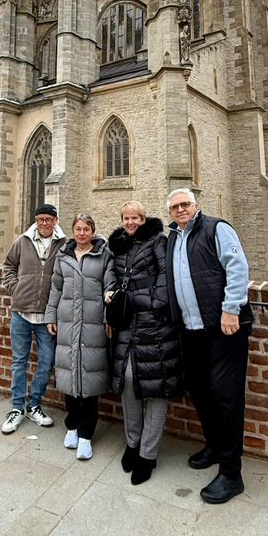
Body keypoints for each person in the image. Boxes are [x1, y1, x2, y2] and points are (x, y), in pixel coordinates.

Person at [165, 188, 253, 504]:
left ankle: (231, 474)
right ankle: (214, 447)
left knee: (227, 397)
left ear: (195, 205)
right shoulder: (173, 238)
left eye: (185, 204)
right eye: (174, 207)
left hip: (224, 327)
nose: (180, 209)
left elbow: (237, 266)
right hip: (192, 330)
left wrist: (231, 309)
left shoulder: (216, 227)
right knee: (200, 390)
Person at [107, 201, 183, 485]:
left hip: (155, 323)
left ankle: (148, 455)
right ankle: (133, 442)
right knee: (127, 381)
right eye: (126, 218)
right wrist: (111, 294)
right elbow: (111, 276)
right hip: (127, 320)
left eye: (135, 218)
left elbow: (166, 275)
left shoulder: (157, 240)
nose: (130, 222)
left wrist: (154, 304)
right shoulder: (118, 245)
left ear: (143, 218)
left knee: (157, 387)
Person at [44, 213, 117, 460]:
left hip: (93, 325)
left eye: (86, 229)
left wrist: (108, 318)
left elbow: (110, 288)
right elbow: (56, 287)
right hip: (67, 324)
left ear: (93, 231)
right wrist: (51, 316)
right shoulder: (63, 256)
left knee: (89, 381)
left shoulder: (104, 255)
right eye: (78, 229)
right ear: (73, 231)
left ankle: (86, 435)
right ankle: (72, 426)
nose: (82, 233)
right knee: (69, 377)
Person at [1, 204, 66, 434]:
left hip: (47, 316)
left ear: (55, 220)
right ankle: (17, 407)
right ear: (36, 220)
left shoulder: (64, 244)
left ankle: (34, 405)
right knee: (19, 361)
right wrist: (15, 289)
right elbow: (9, 266)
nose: (44, 223)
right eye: (40, 219)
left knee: (46, 363)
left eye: (48, 219)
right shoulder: (23, 241)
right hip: (21, 312)